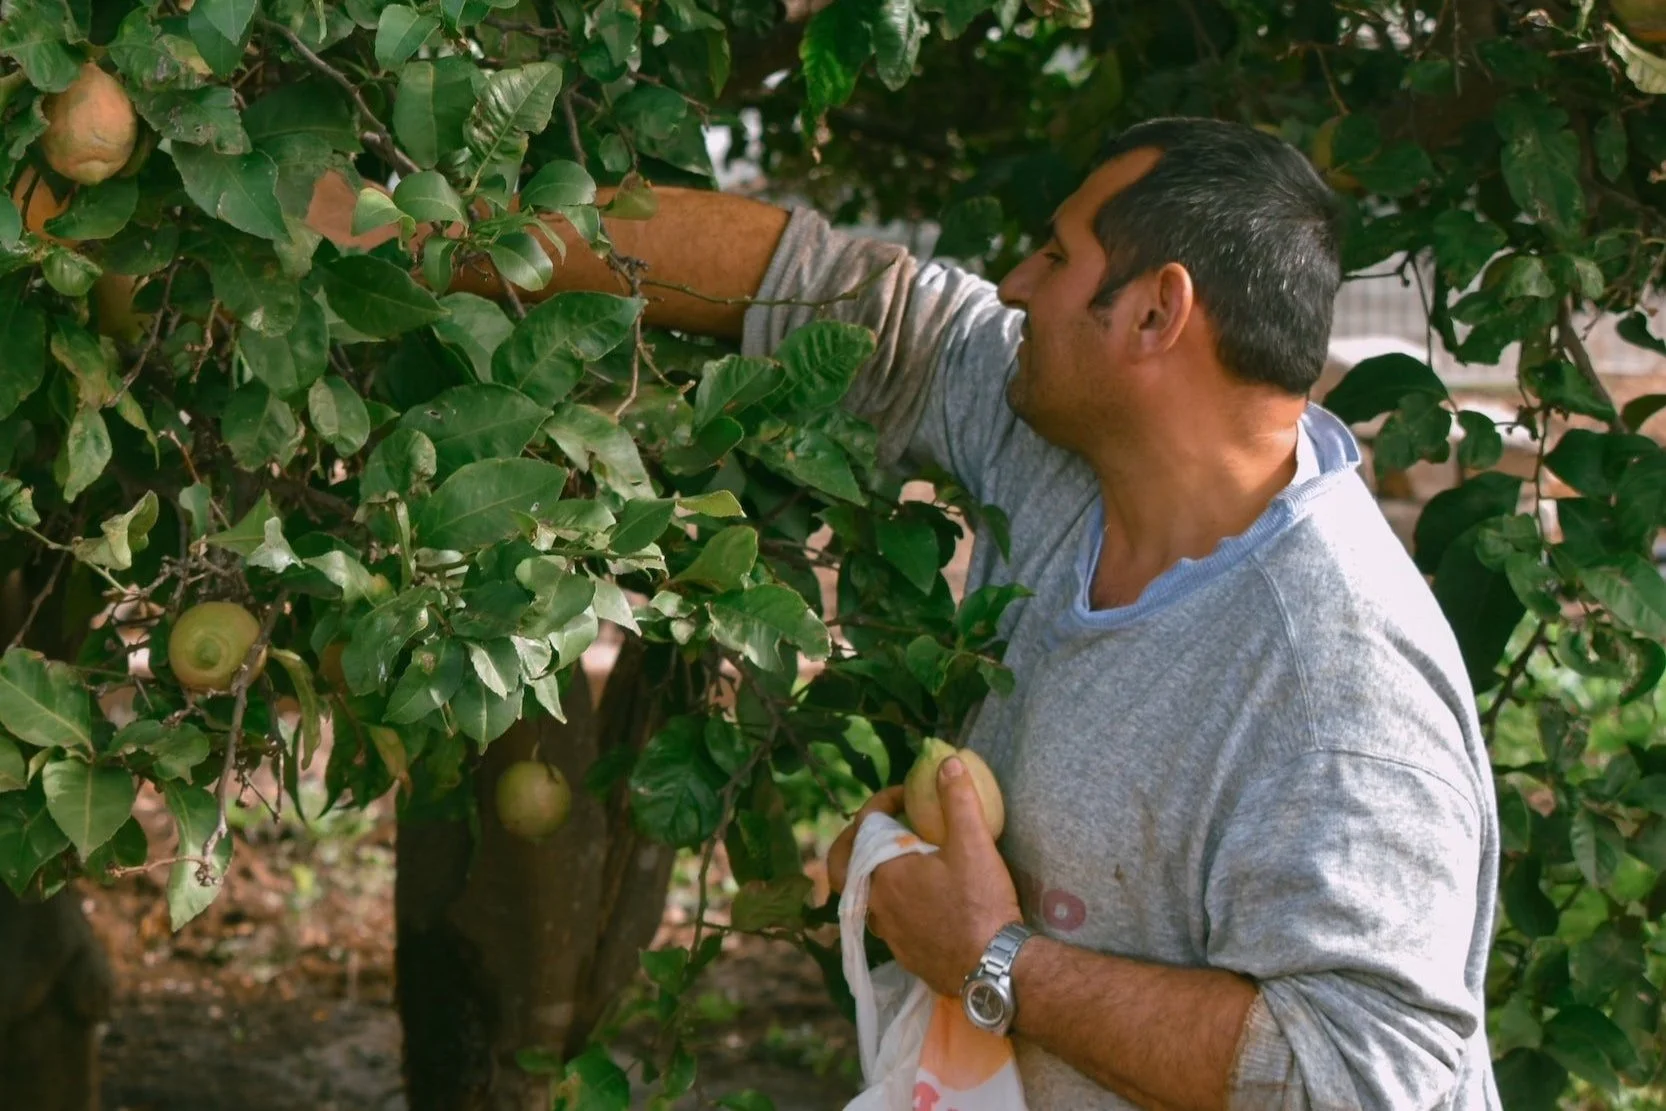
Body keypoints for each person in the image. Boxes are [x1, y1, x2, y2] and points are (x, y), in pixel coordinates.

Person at [313, 116, 1502, 1110]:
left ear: (1154, 315)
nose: (1015, 284)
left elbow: (1365, 1073)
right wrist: (414, 238)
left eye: (1055, 253)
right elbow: (850, 299)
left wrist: (993, 963)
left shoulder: (1334, 675)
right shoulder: (1074, 457)